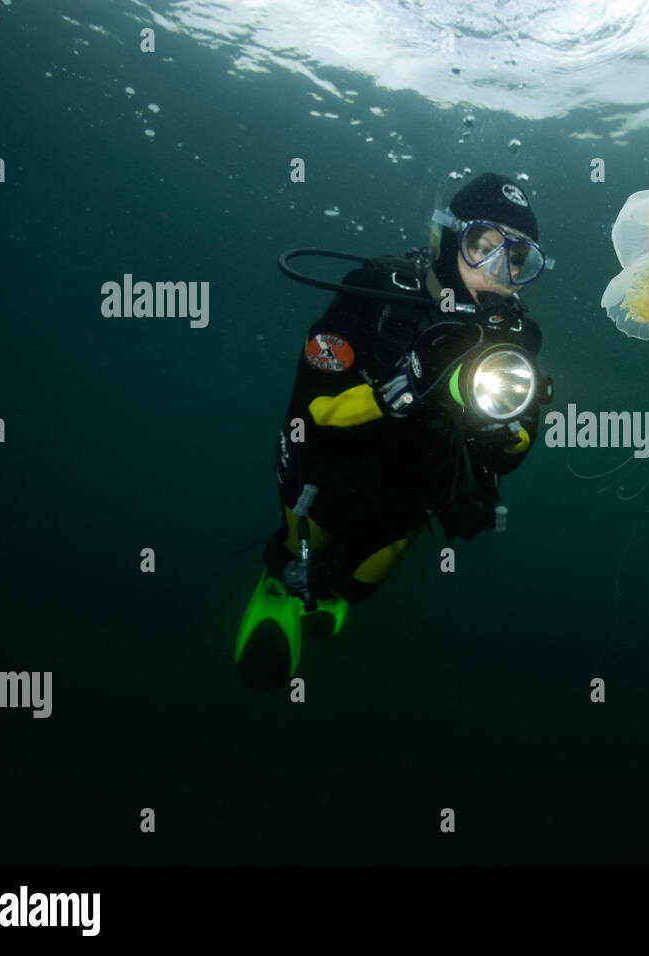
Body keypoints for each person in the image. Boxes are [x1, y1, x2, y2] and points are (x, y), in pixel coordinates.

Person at [235, 173, 553, 691]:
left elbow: (518, 441)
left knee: (357, 588)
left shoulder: (519, 335)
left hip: (411, 497)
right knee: (301, 548)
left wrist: (503, 434)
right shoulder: (374, 290)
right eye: (483, 247)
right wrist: (400, 388)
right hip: (327, 474)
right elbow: (311, 411)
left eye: (517, 260)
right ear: (449, 241)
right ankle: (280, 578)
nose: (498, 271)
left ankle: (330, 590)